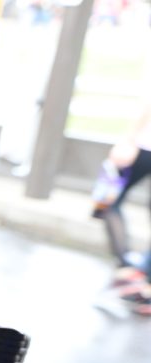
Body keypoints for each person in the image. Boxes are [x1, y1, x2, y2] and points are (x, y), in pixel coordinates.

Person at [94, 93, 151, 317]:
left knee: (106, 201)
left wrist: (128, 140)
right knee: (106, 201)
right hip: (140, 146)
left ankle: (131, 269)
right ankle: (137, 272)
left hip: (141, 146)